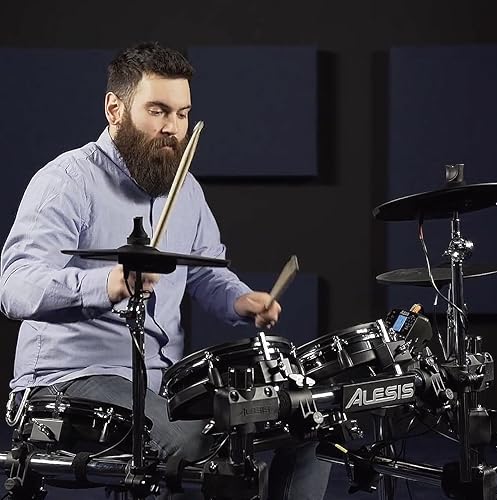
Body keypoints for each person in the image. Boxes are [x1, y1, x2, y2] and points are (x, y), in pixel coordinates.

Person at [0, 42, 331, 499]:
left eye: (182, 114)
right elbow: (15, 287)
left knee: (306, 421)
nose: (172, 127)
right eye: (157, 111)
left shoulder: (185, 189)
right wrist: (109, 284)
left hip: (159, 382)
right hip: (68, 381)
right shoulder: (66, 181)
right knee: (202, 452)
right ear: (115, 109)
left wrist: (240, 300)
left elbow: (205, 270)